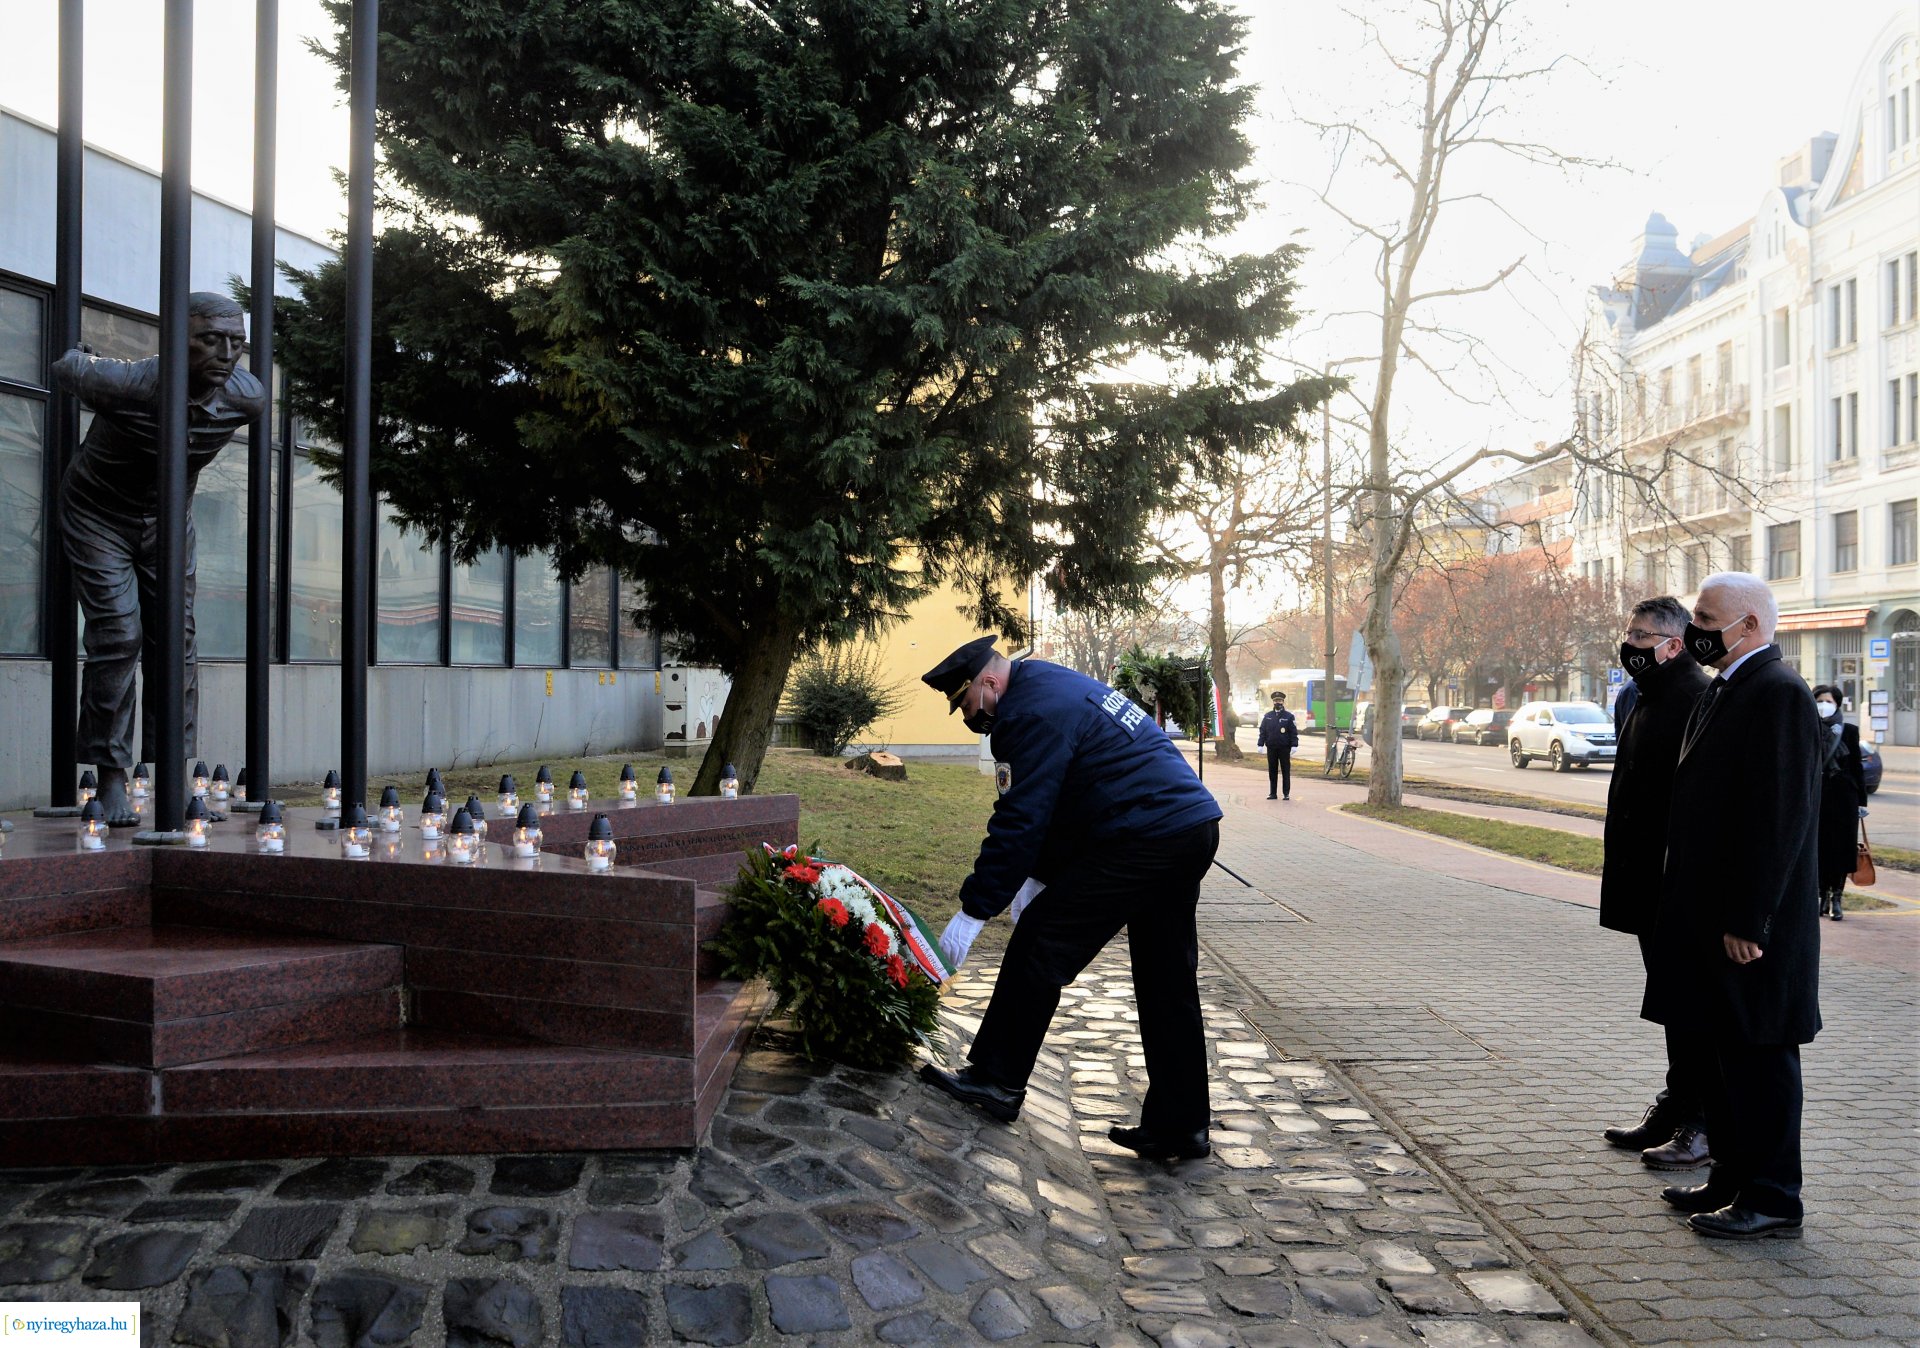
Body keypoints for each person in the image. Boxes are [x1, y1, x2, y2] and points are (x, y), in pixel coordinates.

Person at [917, 635, 1224, 1160]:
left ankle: (996, 1078)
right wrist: (1039, 876)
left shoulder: (1025, 714)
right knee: (1166, 978)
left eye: (967, 705)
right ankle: (1181, 1124)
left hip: (1146, 834)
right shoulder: (1046, 686)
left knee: (1041, 944)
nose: (968, 718)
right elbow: (1065, 802)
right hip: (1186, 827)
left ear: (989, 684)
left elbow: (1022, 818)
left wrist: (975, 909)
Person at [50, 293, 264, 825]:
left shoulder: (248, 397)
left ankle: (171, 773)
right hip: (97, 513)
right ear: (176, 338)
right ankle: (111, 779)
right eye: (210, 339)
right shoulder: (129, 382)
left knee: (176, 642)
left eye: (236, 342)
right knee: (118, 635)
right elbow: (67, 368)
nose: (226, 353)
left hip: (169, 522)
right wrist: (84, 354)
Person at [1653, 572, 1822, 1240]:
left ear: (1748, 625)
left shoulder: (1778, 693)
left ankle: (1774, 1197)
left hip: (1754, 929)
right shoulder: (1732, 687)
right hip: (1714, 919)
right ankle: (1730, 1178)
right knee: (1724, 1059)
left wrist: (1749, 919)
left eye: (1704, 616)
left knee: (1760, 1062)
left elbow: (1778, 819)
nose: (1695, 628)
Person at [1599, 596, 1714, 1171]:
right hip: (1647, 878)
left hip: (1676, 883)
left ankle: (1701, 1122)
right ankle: (1676, 1105)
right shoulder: (1648, 695)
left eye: (1642, 636)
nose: (1631, 643)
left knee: (1689, 1004)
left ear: (1673, 644)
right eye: (1630, 632)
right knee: (1670, 1000)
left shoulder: (1694, 697)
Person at [1810, 684, 1868, 922]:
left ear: (1837, 704)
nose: (1824, 705)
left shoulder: (1849, 731)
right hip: (1817, 798)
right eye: (1819, 700)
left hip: (1844, 799)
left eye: (1829, 701)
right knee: (1819, 848)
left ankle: (1837, 898)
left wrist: (1861, 803)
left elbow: (1857, 769)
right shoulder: (1807, 728)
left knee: (1842, 849)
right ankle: (1822, 895)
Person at [1256, 690, 1299, 800]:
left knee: (1285, 770)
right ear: (1273, 702)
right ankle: (1273, 793)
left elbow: (1293, 732)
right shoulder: (1268, 716)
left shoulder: (1289, 716)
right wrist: (1260, 744)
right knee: (1272, 771)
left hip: (1284, 748)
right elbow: (1263, 731)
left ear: (1283, 702)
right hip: (1271, 747)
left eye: (1279, 700)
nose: (1277, 702)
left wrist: (1294, 745)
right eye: (1275, 701)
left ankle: (1286, 793)